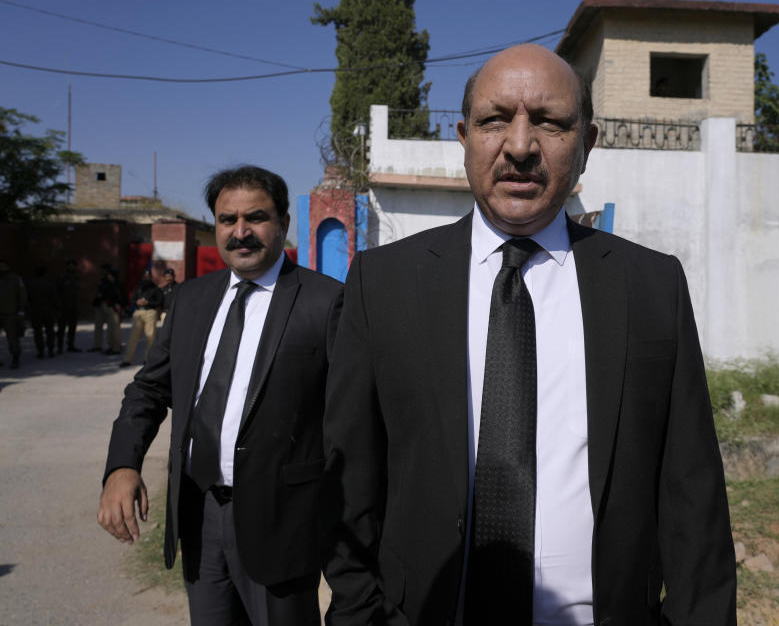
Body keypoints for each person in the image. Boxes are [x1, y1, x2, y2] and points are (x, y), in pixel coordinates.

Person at [322, 44, 736, 626]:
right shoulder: (383, 284)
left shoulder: (650, 286)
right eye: (496, 120)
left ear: (587, 144)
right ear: (464, 138)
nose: (520, 146)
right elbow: (350, 481)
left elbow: (693, 493)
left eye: (550, 122)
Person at [98, 165, 343, 625]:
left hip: (281, 523)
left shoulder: (326, 302)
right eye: (227, 220)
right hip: (199, 513)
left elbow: (352, 424)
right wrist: (122, 465)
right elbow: (149, 389)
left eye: (256, 217)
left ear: (284, 224)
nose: (241, 232)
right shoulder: (191, 300)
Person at [120, 269, 163, 367]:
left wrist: (149, 303)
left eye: (148, 276)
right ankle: (127, 359)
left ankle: (148, 360)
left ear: (151, 277)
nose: (147, 278)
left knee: (150, 337)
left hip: (150, 312)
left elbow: (159, 301)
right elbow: (133, 299)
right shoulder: (138, 288)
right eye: (145, 276)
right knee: (133, 337)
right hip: (138, 312)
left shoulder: (155, 288)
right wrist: (137, 302)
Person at [25, 265, 58, 359]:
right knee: (50, 331)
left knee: (38, 332)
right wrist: (57, 309)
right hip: (48, 311)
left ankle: (40, 351)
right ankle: (50, 350)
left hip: (35, 311)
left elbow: (27, 299)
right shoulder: (49, 284)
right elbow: (55, 298)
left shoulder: (30, 284)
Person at [89, 264, 122, 355]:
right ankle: (99, 345)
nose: (105, 273)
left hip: (112, 306)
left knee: (113, 328)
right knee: (100, 326)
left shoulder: (116, 284)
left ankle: (115, 347)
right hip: (101, 305)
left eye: (106, 271)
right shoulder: (104, 281)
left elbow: (119, 297)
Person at [0, 259, 27, 369]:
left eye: (3, 266)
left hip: (11, 312)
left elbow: (22, 295)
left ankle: (15, 358)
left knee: (12, 337)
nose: (1, 268)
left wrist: (21, 310)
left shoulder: (15, 279)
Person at [56, 259, 81, 353]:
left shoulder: (76, 277)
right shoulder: (61, 278)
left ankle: (71, 344)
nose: (72, 267)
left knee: (72, 327)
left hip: (74, 307)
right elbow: (56, 292)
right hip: (63, 307)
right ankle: (59, 347)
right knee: (61, 328)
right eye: (70, 265)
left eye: (73, 265)